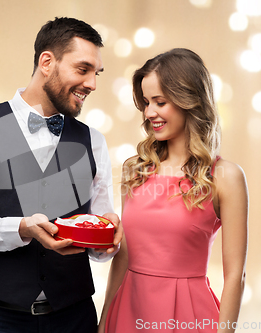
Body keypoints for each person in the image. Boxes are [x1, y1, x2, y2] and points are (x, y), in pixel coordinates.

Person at [0, 17, 122, 333]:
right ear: (47, 62)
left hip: (76, 320)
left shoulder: (94, 141)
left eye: (96, 73)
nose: (92, 84)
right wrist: (19, 229)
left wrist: (107, 239)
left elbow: (99, 246)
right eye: (83, 69)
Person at [99, 48, 248, 333]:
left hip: (188, 317)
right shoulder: (135, 169)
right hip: (128, 314)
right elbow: (124, 255)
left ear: (188, 101)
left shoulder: (225, 176)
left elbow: (235, 277)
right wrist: (105, 320)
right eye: (145, 102)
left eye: (160, 102)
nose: (149, 112)